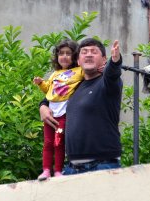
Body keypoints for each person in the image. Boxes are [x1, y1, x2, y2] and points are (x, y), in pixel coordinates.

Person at [40, 38, 122, 175]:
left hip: (102, 164)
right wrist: (43, 105)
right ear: (78, 61)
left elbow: (113, 73)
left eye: (94, 52)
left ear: (103, 60)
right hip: (72, 167)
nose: (89, 54)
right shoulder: (76, 86)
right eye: (84, 52)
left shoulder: (107, 83)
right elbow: (56, 93)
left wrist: (115, 61)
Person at [33, 40, 84, 179]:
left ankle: (57, 171)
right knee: (48, 142)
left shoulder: (79, 70)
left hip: (64, 113)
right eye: (61, 54)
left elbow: (89, 75)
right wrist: (40, 83)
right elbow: (48, 89)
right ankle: (45, 170)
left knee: (58, 142)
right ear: (57, 57)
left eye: (68, 53)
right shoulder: (55, 74)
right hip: (51, 112)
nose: (64, 56)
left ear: (74, 57)